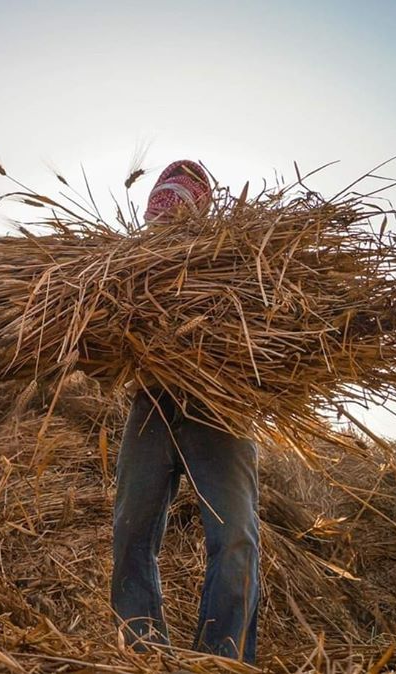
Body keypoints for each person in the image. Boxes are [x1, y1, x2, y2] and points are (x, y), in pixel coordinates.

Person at [111, 160, 260, 664]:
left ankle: (222, 659)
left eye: (179, 203)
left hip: (221, 407)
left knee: (234, 534)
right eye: (161, 206)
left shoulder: (233, 256)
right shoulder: (129, 265)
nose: (166, 215)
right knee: (132, 530)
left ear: (200, 207)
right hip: (152, 400)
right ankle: (145, 654)